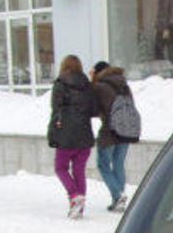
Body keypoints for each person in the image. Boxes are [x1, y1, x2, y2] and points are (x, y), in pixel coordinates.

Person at [47, 55, 96, 219]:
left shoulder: (60, 84)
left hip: (66, 134)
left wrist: (53, 132)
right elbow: (93, 109)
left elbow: (56, 109)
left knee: (60, 167)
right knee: (79, 170)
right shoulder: (87, 84)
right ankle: (79, 208)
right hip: (84, 133)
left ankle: (74, 197)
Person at [91, 61, 138, 212]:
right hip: (126, 130)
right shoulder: (124, 85)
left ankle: (118, 195)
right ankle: (119, 198)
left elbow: (94, 109)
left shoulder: (100, 87)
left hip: (109, 131)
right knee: (118, 164)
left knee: (103, 165)